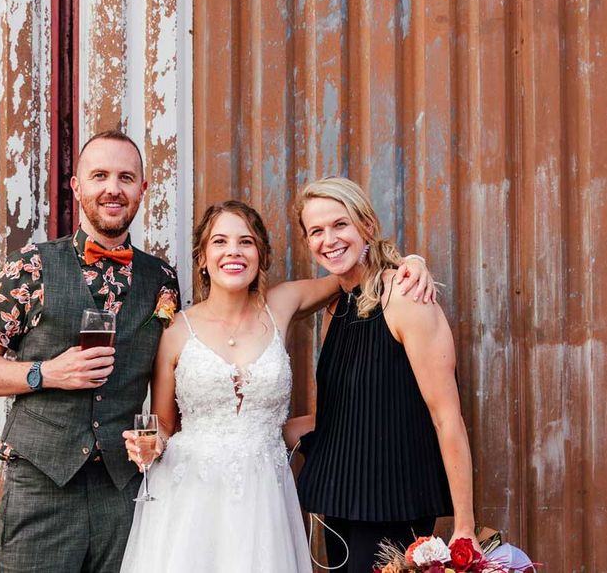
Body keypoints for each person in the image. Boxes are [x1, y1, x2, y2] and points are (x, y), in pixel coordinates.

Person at [119, 200, 434, 573]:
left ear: (261, 255)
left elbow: (349, 271)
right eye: (219, 242)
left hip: (263, 493)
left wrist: (411, 262)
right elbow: (165, 425)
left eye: (246, 242)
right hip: (189, 494)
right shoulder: (175, 331)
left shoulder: (279, 305)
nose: (233, 251)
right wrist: (151, 440)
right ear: (203, 258)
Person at [0, 131, 180, 573]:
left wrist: (160, 439)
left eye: (125, 177)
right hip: (42, 485)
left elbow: (167, 378)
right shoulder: (30, 266)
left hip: (125, 490)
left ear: (143, 189)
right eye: (99, 175)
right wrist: (46, 372)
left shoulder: (163, 280)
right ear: (77, 187)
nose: (112, 188)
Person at [287, 176, 481, 572]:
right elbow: (342, 415)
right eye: (316, 231)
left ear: (367, 227)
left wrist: (465, 526)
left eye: (340, 224)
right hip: (342, 501)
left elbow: (447, 418)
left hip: (396, 501)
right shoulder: (336, 309)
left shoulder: (405, 296)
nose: (329, 239)